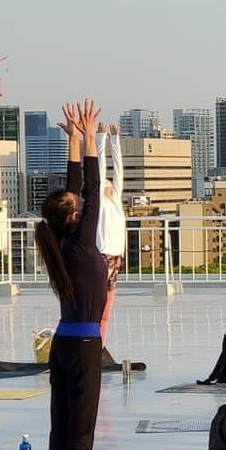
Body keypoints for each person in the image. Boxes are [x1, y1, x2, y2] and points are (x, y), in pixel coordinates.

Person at [36, 99, 108, 450]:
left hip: (67, 343)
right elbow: (93, 190)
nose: (81, 204)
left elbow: (77, 190)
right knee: (79, 435)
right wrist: (91, 140)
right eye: (75, 205)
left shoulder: (62, 240)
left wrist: (75, 140)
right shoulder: (79, 244)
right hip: (81, 348)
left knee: (61, 431)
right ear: (74, 217)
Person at [95, 122, 125, 347]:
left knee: (106, 310)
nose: (109, 185)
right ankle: (93, 343)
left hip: (116, 257)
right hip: (104, 256)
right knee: (97, 307)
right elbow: (100, 169)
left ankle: (100, 345)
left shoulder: (115, 200)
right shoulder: (99, 203)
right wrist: (100, 138)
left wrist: (115, 142)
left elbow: (118, 171)